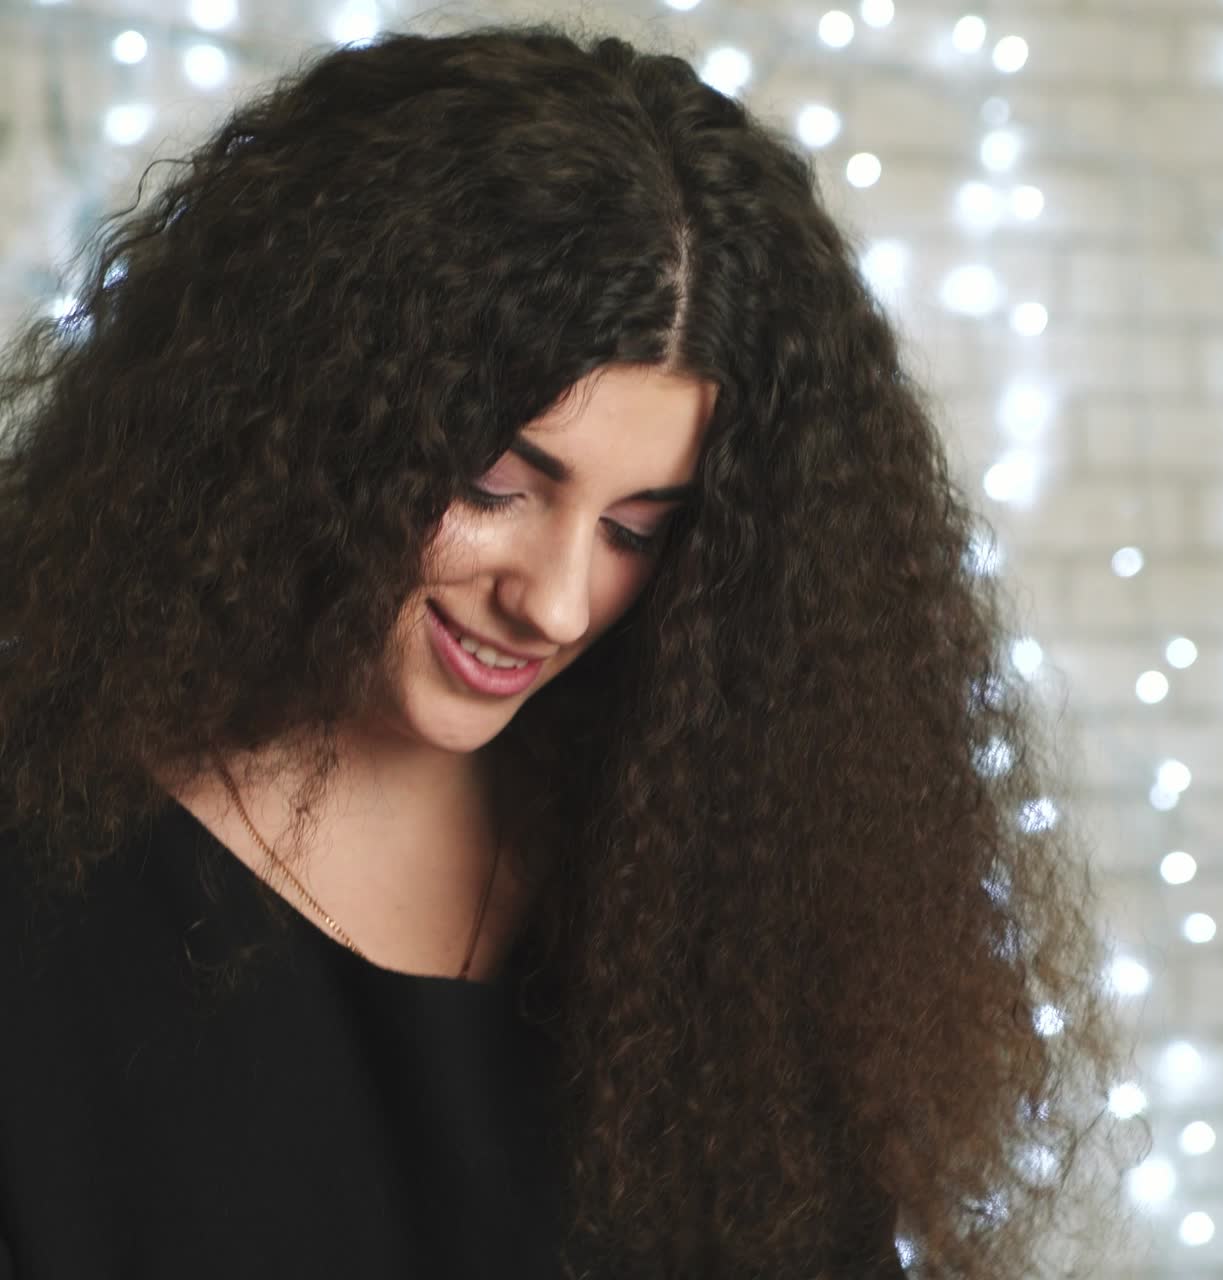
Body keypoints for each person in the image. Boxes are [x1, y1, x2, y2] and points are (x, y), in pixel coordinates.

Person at [0, 20, 1148, 1280]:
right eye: (494, 485)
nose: (553, 601)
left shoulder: (714, 894)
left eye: (636, 529)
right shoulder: (47, 874)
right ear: (313, 421)